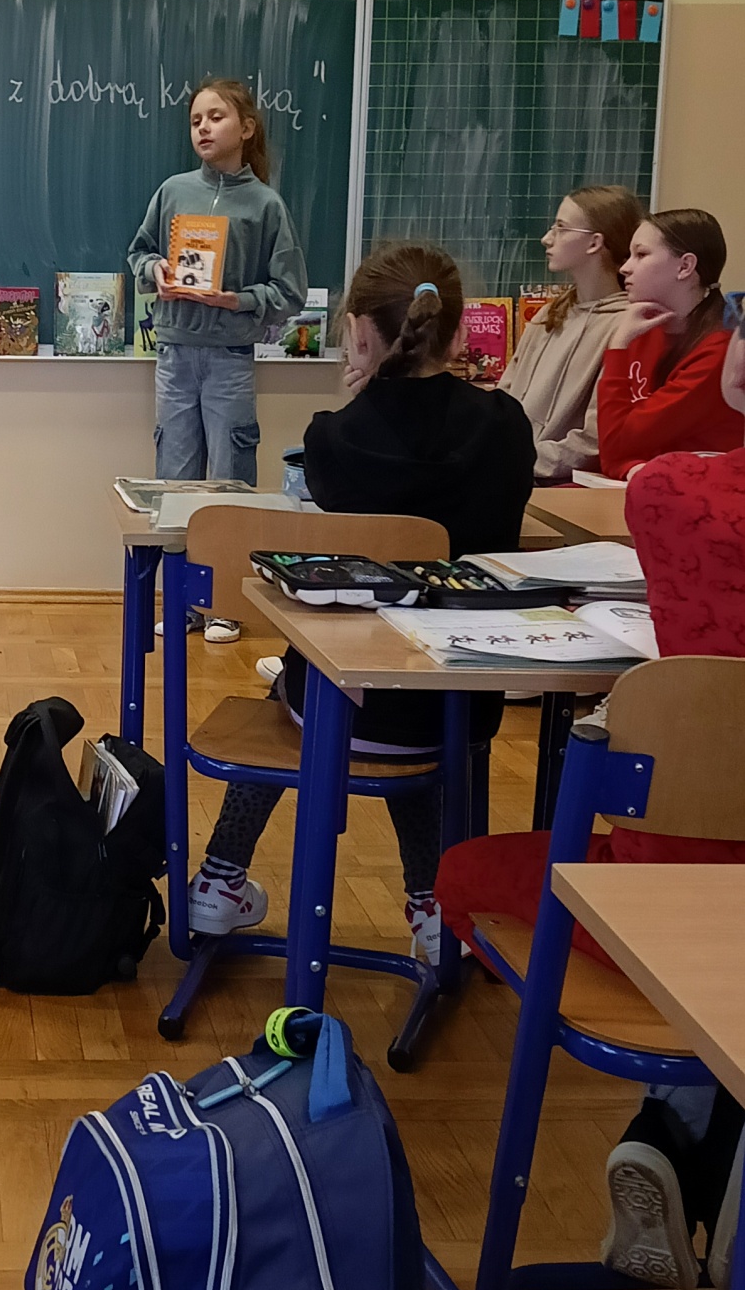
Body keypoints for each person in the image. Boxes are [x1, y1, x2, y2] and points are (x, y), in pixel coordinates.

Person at [437, 317, 745, 1290]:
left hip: (673, 895)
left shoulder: (674, 493)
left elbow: (634, 450)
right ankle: (694, 1145)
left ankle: (680, 1136)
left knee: (468, 870)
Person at [188, 241, 536, 960]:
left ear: (356, 332)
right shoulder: (506, 426)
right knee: (416, 693)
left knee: (316, 676)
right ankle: (434, 906)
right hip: (463, 704)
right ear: (457, 330)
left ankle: (220, 880)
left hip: (341, 709)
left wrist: (361, 397)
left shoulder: (333, 437)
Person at [128, 80, 306, 642]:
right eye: (195, 120)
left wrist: (239, 300)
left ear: (246, 128)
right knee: (176, 483)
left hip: (230, 358)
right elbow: (139, 253)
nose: (203, 127)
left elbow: (290, 292)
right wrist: (155, 270)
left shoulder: (265, 205)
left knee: (230, 482)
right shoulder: (174, 191)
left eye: (216, 117)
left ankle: (225, 604)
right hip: (175, 354)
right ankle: (183, 604)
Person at [496, 185, 639, 481]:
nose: (547, 238)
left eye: (561, 228)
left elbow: (592, 442)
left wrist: (512, 462)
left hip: (551, 484)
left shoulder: (626, 327)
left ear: (595, 242)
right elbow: (504, 399)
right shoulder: (550, 314)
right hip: (510, 472)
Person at [595, 208, 741, 477]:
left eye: (641, 254)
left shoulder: (720, 351)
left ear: (685, 267)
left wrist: (617, 349)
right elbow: (610, 448)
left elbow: (616, 445)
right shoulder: (642, 328)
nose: (624, 268)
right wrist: (628, 467)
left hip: (697, 491)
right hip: (644, 484)